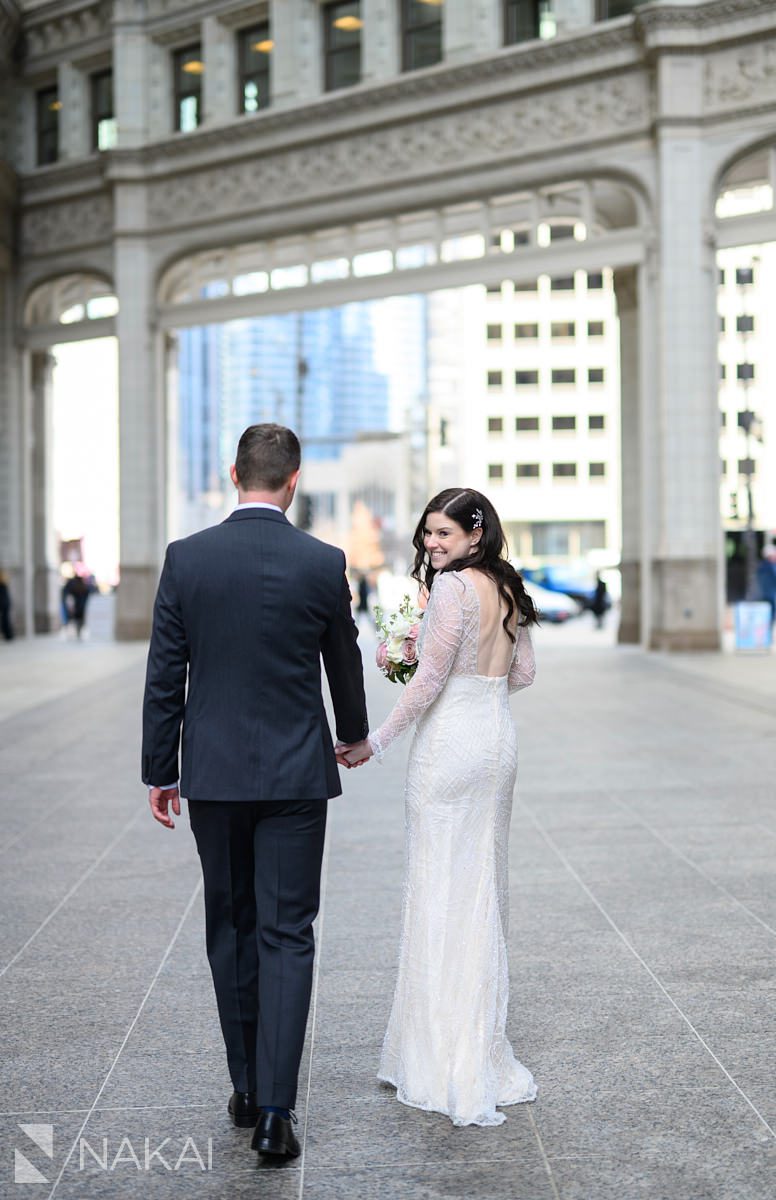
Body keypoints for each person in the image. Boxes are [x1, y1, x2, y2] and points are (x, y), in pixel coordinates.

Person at [141, 424, 368, 1161]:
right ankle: (276, 1111)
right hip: (297, 772)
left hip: (212, 775)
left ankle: (244, 1085)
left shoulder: (187, 559)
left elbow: (165, 672)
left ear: (234, 473)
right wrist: (354, 733)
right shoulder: (322, 561)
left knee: (231, 926)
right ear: (294, 479)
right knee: (288, 933)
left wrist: (160, 770)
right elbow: (344, 660)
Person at [340, 487, 539, 1127]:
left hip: (451, 743)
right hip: (496, 738)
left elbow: (428, 680)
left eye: (443, 535)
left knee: (438, 887)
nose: (432, 545)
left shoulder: (452, 590)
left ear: (474, 535)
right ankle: (479, 1043)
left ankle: (439, 1056)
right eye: (428, 534)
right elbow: (522, 675)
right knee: (479, 884)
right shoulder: (508, 587)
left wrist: (377, 738)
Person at [63, 571, 91, 639]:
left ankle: (76, 631)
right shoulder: (82, 585)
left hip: (77, 606)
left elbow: (66, 592)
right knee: (77, 619)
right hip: (79, 606)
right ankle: (77, 631)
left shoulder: (74, 584)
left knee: (74, 618)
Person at [756, 546, 776, 623]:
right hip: (772, 595)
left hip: (763, 595)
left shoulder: (761, 567)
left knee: (766, 618)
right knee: (771, 617)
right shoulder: (772, 567)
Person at [0, 570, 13, 640]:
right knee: (5, 620)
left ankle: (8, 635)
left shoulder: (2, 586)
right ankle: (8, 635)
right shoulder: (5, 585)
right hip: (6, 604)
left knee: (5, 620)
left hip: (4, 604)